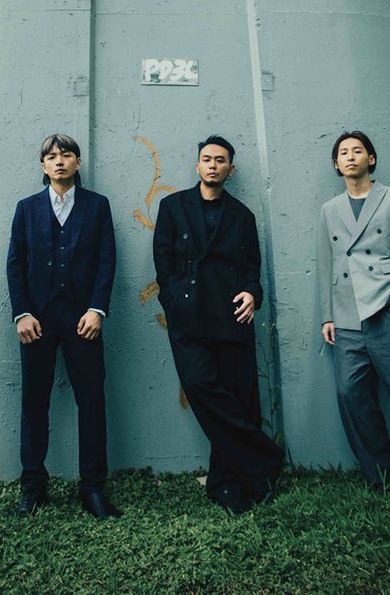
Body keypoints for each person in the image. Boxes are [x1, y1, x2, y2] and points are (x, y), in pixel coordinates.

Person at [153, 134, 284, 514]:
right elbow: (163, 260)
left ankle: (226, 485)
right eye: (207, 159)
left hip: (232, 315)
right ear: (198, 165)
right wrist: (172, 300)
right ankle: (265, 460)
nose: (213, 165)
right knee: (202, 386)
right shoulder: (173, 206)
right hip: (188, 315)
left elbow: (252, 266)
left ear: (231, 168)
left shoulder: (243, 215)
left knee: (238, 398)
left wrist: (252, 294)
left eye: (220, 160)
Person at [7, 134, 120, 519]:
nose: (59, 161)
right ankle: (33, 488)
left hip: (82, 318)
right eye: (51, 156)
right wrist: (22, 313)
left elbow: (106, 260)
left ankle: (93, 488)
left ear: (77, 162)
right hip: (36, 320)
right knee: (34, 402)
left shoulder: (97, 206)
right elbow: (15, 264)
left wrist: (97, 309)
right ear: (43, 165)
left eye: (66, 155)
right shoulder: (26, 208)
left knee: (92, 400)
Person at [318, 130, 390, 497]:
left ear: (371, 159)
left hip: (387, 310)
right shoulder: (330, 209)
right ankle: (382, 473)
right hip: (347, 318)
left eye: (358, 150)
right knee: (350, 394)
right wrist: (327, 315)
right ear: (336, 164)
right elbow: (327, 264)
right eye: (343, 152)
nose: (350, 156)